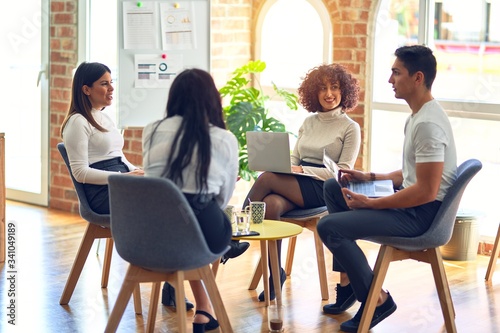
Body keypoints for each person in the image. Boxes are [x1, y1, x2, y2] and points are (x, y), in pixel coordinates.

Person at [317, 45, 457, 332]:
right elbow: (411, 174)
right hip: (413, 205)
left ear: (418, 78)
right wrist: (368, 176)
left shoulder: (429, 124)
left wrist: (371, 204)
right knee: (334, 187)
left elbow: (426, 191)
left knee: (329, 227)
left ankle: (376, 300)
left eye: (396, 72)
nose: (390, 80)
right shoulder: (418, 116)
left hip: (422, 216)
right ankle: (354, 285)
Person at [244, 63, 361, 301]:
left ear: (344, 91)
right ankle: (275, 273)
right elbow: (294, 157)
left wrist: (301, 170)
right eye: (323, 89)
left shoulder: (350, 127)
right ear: (314, 94)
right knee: (272, 205)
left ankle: (236, 229)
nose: (329, 94)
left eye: (335, 87)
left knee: (266, 178)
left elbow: (342, 174)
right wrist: (285, 166)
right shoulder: (309, 122)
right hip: (297, 181)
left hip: (324, 188)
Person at [142, 68, 240, 332]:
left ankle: (202, 307)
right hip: (200, 232)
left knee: (183, 221)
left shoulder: (152, 130)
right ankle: (204, 308)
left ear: (174, 97)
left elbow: (154, 180)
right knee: (203, 220)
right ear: (212, 99)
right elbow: (223, 197)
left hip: (147, 236)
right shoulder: (223, 138)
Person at [61, 62, 144, 215]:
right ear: (86, 89)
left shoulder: (105, 118)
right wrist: (123, 178)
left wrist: (137, 172)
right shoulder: (77, 122)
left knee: (166, 192)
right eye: (104, 84)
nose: (111, 88)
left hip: (119, 183)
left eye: (111, 82)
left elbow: (119, 157)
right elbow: (80, 173)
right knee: (160, 200)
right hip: (101, 193)